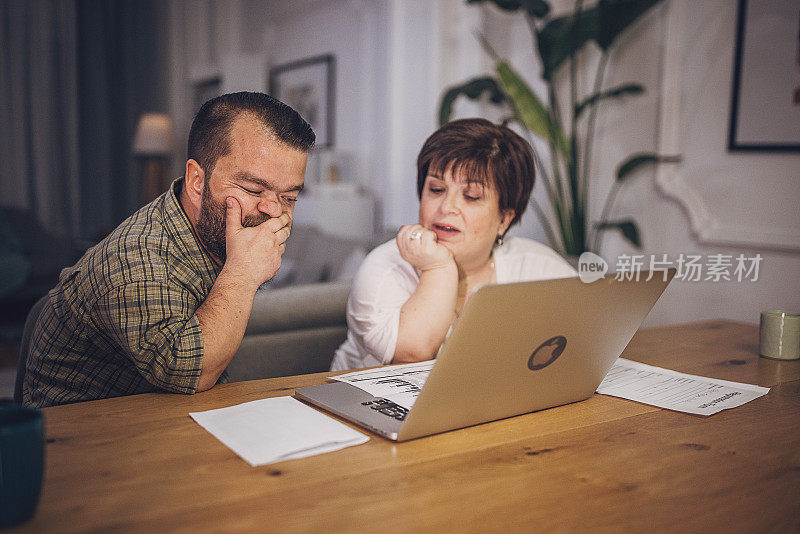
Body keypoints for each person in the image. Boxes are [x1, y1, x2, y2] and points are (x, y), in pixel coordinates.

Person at [23, 92, 314, 407]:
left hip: (163, 416)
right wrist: (242, 274)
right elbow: (191, 370)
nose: (273, 209)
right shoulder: (135, 258)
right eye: (253, 189)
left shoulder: (218, 236)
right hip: (78, 435)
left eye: (289, 197)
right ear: (196, 180)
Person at [330, 118, 575, 371]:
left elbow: (589, 335)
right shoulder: (385, 268)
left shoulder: (537, 268)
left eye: (471, 197)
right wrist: (439, 267)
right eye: (436, 189)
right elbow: (413, 355)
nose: (446, 207)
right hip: (358, 405)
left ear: (504, 219)